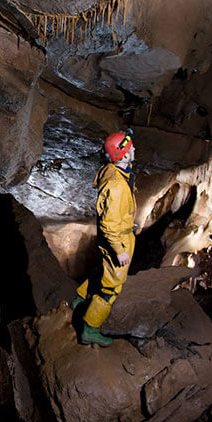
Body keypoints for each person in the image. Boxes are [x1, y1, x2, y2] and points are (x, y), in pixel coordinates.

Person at [71, 129, 137, 347]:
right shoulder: (116, 186)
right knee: (112, 287)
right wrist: (120, 250)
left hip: (113, 235)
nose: (134, 149)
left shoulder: (114, 171)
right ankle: (90, 328)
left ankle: (79, 300)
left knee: (102, 270)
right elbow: (110, 225)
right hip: (117, 237)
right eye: (129, 149)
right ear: (123, 156)